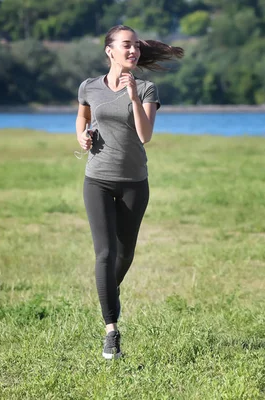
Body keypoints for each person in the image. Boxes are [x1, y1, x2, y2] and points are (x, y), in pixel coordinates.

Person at [75, 25, 183, 359]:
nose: (133, 50)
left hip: (134, 183)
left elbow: (145, 134)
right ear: (110, 51)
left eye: (136, 46)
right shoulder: (89, 87)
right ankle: (112, 332)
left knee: (124, 256)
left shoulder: (147, 88)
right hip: (97, 179)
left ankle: (106, 291)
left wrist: (133, 97)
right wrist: (82, 137)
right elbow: (82, 119)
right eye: (126, 45)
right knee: (105, 254)